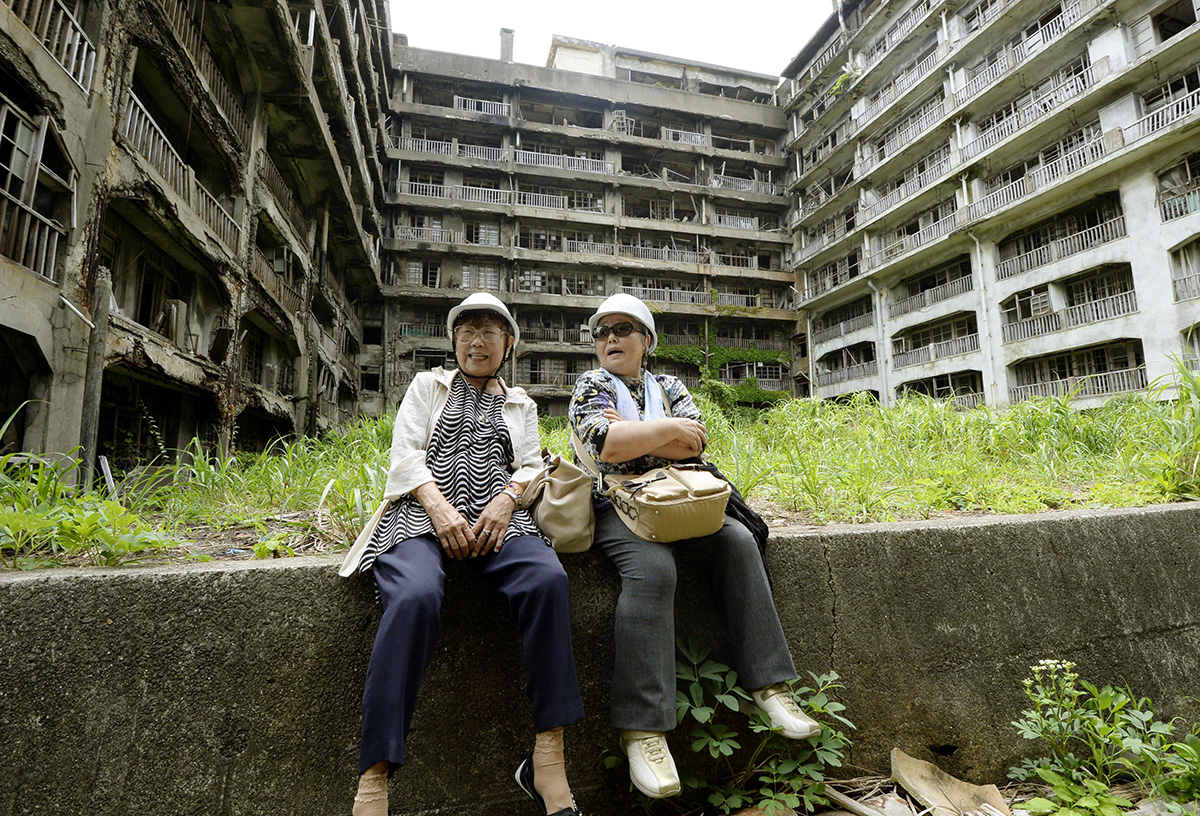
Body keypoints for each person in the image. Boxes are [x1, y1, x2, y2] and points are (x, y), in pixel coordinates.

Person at [339, 292, 584, 816]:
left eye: (489, 332)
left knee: (547, 581)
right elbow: (404, 456)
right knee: (415, 598)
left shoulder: (521, 402)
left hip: (500, 521)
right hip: (421, 516)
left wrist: (506, 499)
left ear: (508, 343)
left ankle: (548, 759)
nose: (477, 341)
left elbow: (530, 466)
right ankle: (373, 782)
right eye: (468, 331)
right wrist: (437, 506)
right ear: (454, 341)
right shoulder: (427, 387)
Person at [568, 293, 820, 800]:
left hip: (682, 497)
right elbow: (606, 446)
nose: (611, 339)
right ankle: (643, 730)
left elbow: (694, 445)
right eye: (602, 332)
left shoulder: (670, 384)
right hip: (621, 504)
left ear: (646, 341)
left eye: (623, 329)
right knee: (653, 570)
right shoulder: (590, 385)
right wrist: (664, 433)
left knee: (738, 541)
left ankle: (769, 687)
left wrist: (640, 434)